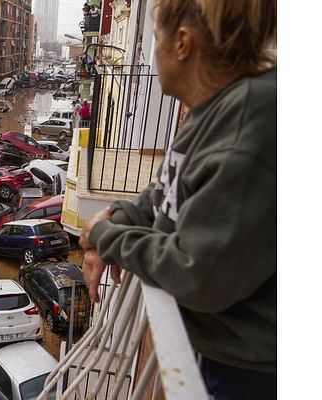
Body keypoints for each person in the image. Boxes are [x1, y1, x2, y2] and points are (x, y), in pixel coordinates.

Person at [77, 1, 276, 399]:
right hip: (217, 353)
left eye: (156, 39)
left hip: (245, 373)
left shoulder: (247, 125)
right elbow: (161, 193)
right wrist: (116, 217)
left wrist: (108, 236)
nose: (154, 53)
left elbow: (197, 274)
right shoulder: (216, 108)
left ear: (182, 43)